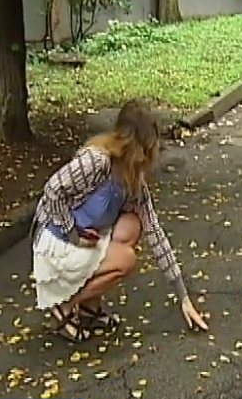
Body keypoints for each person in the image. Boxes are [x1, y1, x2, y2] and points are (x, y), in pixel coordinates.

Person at [30, 100, 209, 342]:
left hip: (85, 238)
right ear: (130, 143)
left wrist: (184, 297)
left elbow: (154, 231)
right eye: (145, 149)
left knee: (132, 225)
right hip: (58, 240)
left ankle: (88, 307)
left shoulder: (133, 179)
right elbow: (52, 191)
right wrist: (73, 233)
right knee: (126, 259)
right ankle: (64, 304)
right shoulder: (97, 161)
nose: (149, 157)